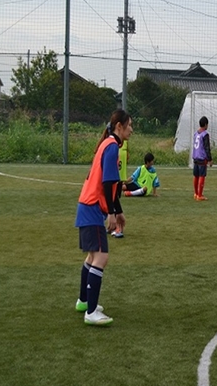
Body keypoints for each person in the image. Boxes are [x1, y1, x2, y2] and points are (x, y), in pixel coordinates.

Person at [74, 109, 133, 326]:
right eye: (129, 125)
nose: (131, 130)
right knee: (101, 257)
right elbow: (108, 183)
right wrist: (111, 213)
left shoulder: (108, 144)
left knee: (92, 257)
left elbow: (112, 184)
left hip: (86, 206)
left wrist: (118, 210)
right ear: (119, 126)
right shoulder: (112, 147)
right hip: (92, 208)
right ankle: (91, 313)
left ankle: (84, 301)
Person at [192, 116, 213, 201]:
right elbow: (207, 148)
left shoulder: (196, 133)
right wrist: (210, 159)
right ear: (205, 124)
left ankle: (196, 193)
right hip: (201, 157)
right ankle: (200, 195)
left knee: (196, 176)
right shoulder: (205, 134)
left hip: (195, 157)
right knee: (202, 176)